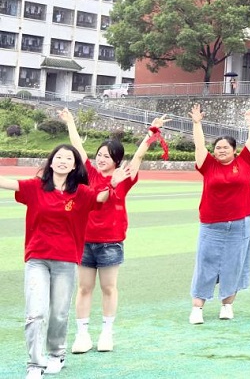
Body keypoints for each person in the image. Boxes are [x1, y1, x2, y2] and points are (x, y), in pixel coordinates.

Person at [1, 144, 120, 378]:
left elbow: (100, 198)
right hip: (37, 259)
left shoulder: (81, 193)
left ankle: (56, 354)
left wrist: (112, 184)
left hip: (65, 261)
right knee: (35, 313)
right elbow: (8, 183)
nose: (63, 161)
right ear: (51, 162)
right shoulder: (35, 187)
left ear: (74, 166)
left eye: (68, 158)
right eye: (58, 157)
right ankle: (35, 364)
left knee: (58, 313)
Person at [62, 109, 162, 354]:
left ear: (116, 159)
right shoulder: (89, 174)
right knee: (84, 288)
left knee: (108, 288)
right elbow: (78, 147)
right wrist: (70, 122)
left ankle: (106, 333)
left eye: (106, 156)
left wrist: (151, 132)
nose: (101, 159)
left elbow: (138, 156)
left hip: (110, 241)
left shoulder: (124, 177)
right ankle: (82, 334)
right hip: (85, 240)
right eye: (99, 155)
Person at [188, 100, 250, 324]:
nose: (221, 150)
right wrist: (197, 123)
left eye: (225, 147)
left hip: (239, 224)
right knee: (205, 265)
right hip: (211, 225)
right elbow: (199, 146)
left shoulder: (245, 162)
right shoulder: (208, 165)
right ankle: (197, 308)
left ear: (234, 150)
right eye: (218, 147)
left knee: (234, 265)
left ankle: (227, 305)